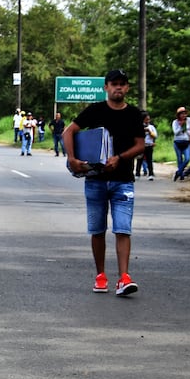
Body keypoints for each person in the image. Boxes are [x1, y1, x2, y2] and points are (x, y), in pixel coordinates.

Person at [63, 70, 146, 295]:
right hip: (96, 180)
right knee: (97, 230)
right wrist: (72, 159)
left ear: (127, 88)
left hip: (123, 181)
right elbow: (68, 132)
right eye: (113, 84)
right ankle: (101, 276)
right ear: (106, 87)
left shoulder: (134, 114)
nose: (118, 88)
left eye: (122, 84)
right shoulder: (95, 111)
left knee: (123, 229)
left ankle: (124, 278)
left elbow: (140, 145)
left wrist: (120, 158)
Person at [171, 106, 190, 181]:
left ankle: (179, 172)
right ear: (178, 115)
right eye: (182, 114)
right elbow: (175, 132)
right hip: (177, 142)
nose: (184, 115)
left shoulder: (189, 120)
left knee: (187, 159)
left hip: (186, 142)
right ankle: (181, 174)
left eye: (185, 114)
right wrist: (181, 126)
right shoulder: (175, 122)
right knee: (179, 159)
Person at [135, 111, 157, 180]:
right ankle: (137, 174)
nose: (148, 121)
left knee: (149, 160)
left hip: (149, 145)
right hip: (141, 145)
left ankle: (150, 174)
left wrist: (150, 132)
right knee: (139, 160)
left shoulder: (151, 127)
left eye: (149, 119)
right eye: (146, 119)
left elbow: (155, 136)